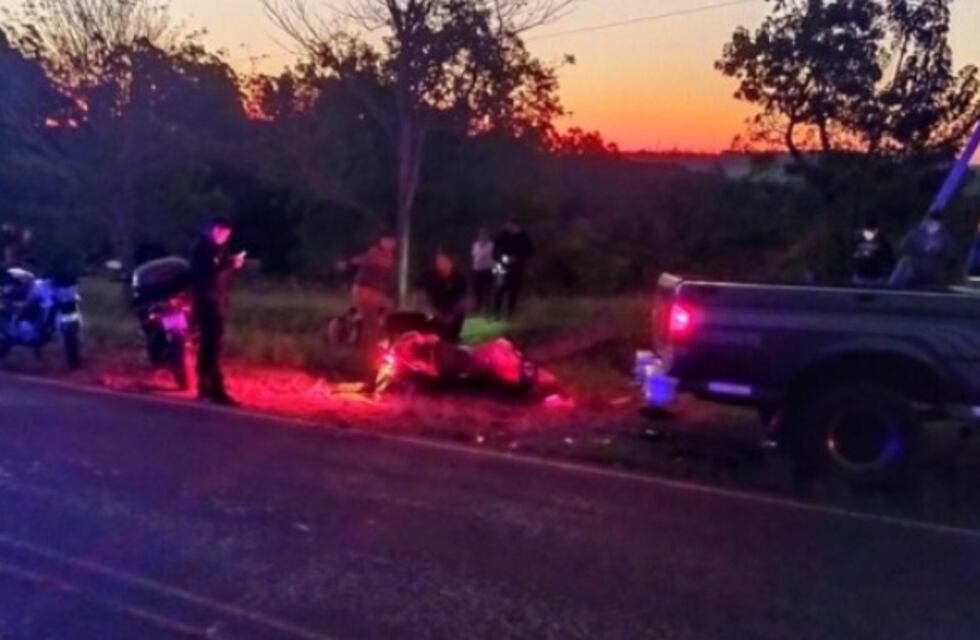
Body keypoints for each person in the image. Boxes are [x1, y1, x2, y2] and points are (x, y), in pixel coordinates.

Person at [190, 217, 245, 405]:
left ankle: (206, 387)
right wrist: (229, 264)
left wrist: (229, 263)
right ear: (216, 231)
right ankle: (214, 389)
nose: (225, 239)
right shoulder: (203, 249)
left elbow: (215, 273)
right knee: (210, 345)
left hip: (211, 300)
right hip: (206, 302)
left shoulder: (211, 250)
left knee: (210, 345)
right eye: (224, 235)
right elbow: (208, 274)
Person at [351, 232, 398, 346]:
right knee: (371, 318)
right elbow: (363, 260)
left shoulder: (390, 257)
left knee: (377, 317)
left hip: (376, 290)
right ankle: (363, 343)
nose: (389, 244)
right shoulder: (376, 253)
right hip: (366, 288)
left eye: (392, 242)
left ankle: (365, 341)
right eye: (386, 241)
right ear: (381, 241)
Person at [892, 211, 954, 289]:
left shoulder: (944, 238)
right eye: (931, 223)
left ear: (940, 225)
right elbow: (904, 248)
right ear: (926, 222)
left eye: (935, 224)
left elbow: (949, 253)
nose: (932, 226)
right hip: (915, 272)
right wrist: (917, 252)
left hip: (934, 274)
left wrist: (935, 253)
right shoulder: (915, 235)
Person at [424, 250, 468, 342]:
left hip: (453, 315)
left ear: (450, 263)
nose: (440, 264)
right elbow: (428, 297)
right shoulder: (432, 278)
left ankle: (453, 337)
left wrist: (451, 315)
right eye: (438, 262)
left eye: (443, 261)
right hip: (436, 314)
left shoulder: (459, 280)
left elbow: (461, 301)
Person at [493, 219, 533, 318]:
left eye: (510, 226)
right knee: (498, 289)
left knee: (514, 290)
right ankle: (497, 313)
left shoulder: (524, 237)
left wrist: (517, 258)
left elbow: (529, 251)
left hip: (516, 267)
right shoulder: (504, 235)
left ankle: (510, 313)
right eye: (507, 226)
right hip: (501, 265)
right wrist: (498, 257)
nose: (508, 228)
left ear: (516, 226)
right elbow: (495, 247)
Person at [851, 219, 894, 286]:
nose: (869, 233)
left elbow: (889, 260)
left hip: (876, 278)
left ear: (877, 230)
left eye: (872, 230)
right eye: (867, 230)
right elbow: (853, 258)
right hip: (860, 277)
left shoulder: (883, 243)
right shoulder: (858, 241)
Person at [471, 229, 495, 314]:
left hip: (488, 270)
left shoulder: (491, 246)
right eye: (481, 236)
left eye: (484, 236)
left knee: (488, 291)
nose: (483, 237)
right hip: (477, 270)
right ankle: (478, 308)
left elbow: (492, 256)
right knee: (478, 291)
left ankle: (488, 309)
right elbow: (474, 255)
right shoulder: (475, 245)